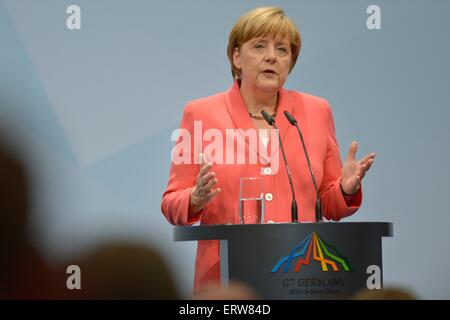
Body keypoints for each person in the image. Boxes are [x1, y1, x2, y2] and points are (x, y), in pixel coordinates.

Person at [161, 7, 375, 293]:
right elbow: (171, 202)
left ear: (290, 62)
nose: (272, 56)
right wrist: (196, 198)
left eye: (282, 50)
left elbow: (329, 203)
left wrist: (346, 190)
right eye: (259, 46)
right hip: (226, 281)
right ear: (237, 57)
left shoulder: (316, 111)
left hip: (301, 280)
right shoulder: (200, 114)